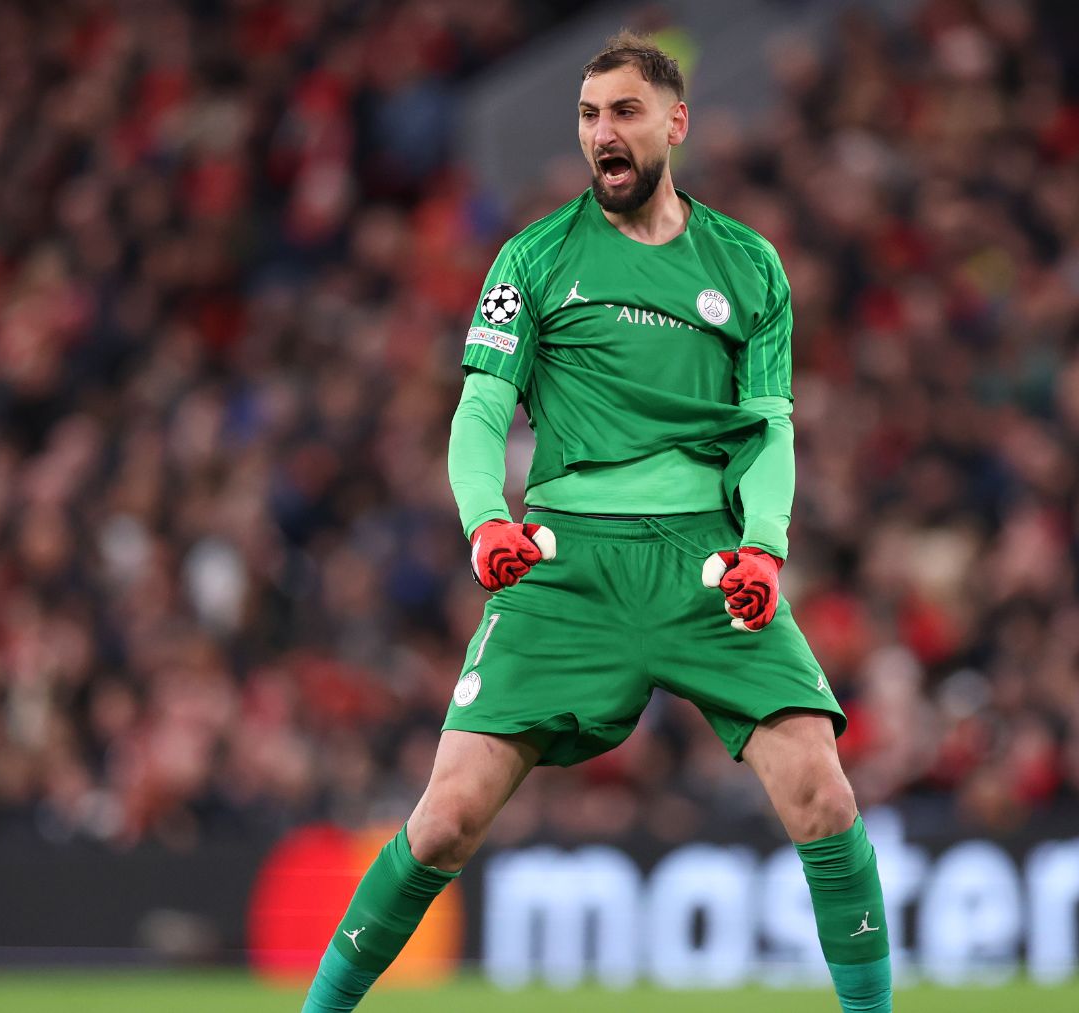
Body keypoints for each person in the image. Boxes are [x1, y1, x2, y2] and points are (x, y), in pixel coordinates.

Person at [301, 32, 892, 1013]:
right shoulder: (532, 259)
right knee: (444, 819)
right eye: (588, 115)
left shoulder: (747, 265)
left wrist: (765, 542)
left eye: (623, 112)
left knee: (824, 795)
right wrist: (486, 519)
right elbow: (481, 411)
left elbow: (770, 431)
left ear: (676, 122)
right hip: (565, 567)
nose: (602, 133)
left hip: (708, 564)